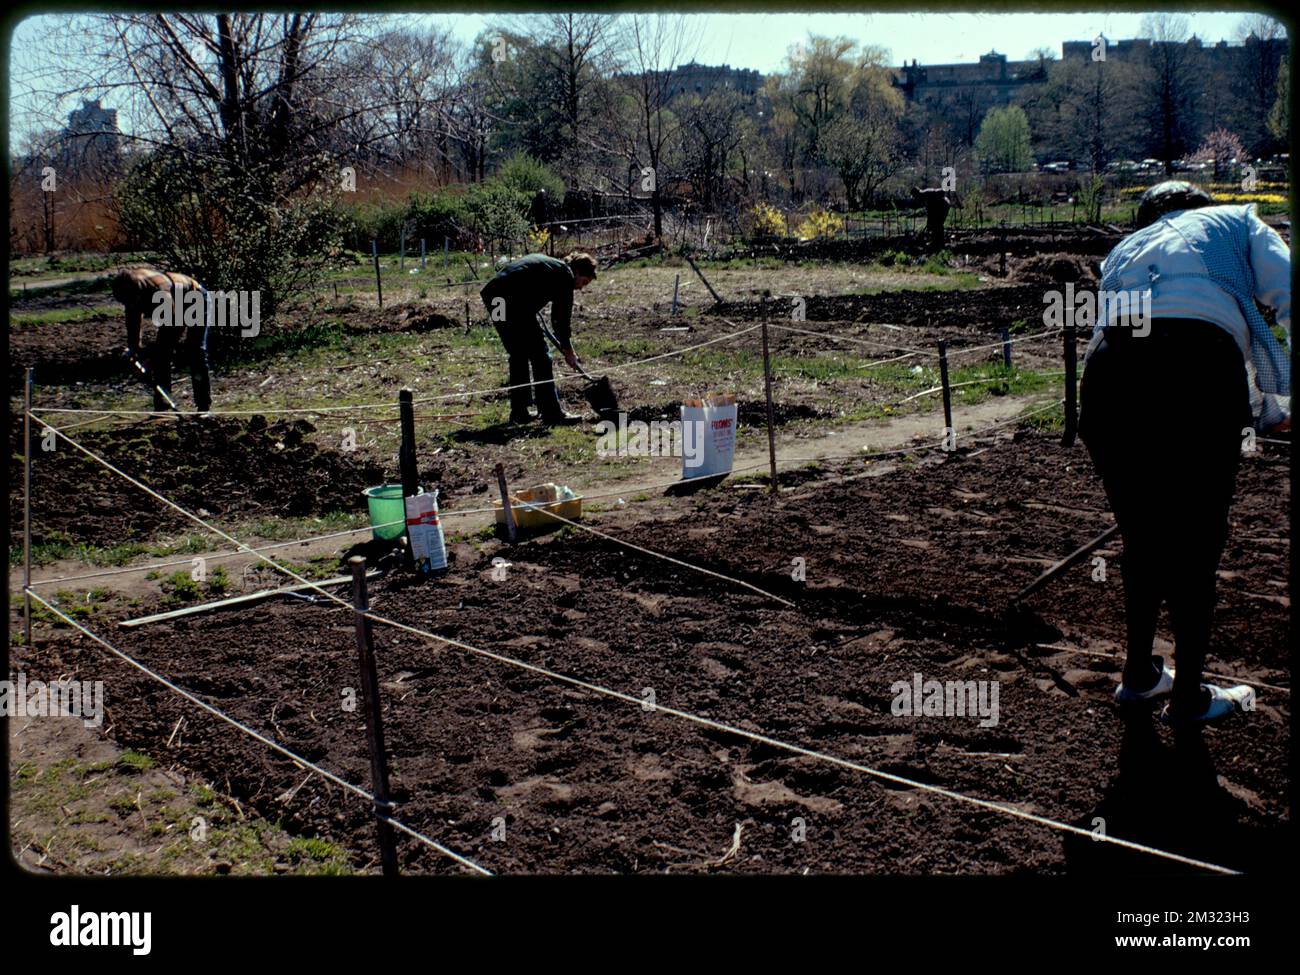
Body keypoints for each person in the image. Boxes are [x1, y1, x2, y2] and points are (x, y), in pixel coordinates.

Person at [1080, 181, 1290, 725]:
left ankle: (1139, 678)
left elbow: (1106, 338)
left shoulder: (1123, 252)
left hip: (1110, 385)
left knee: (1143, 539)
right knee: (1196, 545)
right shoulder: (1237, 223)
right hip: (1195, 375)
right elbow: (1286, 291)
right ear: (1201, 209)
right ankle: (1189, 698)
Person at [479, 251, 597, 425]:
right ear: (577, 271)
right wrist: (568, 350)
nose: (580, 287)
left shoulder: (553, 266)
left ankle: (519, 412)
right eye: (584, 282)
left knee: (518, 353)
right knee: (540, 355)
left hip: (495, 297)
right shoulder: (565, 275)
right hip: (510, 301)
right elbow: (560, 319)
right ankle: (551, 412)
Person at [111, 266, 212, 415]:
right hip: (176, 304)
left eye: (131, 302)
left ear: (138, 294)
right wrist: (134, 350)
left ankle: (203, 406)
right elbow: (133, 321)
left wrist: (152, 359)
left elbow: (174, 326)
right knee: (161, 356)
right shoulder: (129, 292)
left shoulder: (159, 291)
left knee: (195, 350)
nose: (130, 305)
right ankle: (162, 408)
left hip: (195, 299)